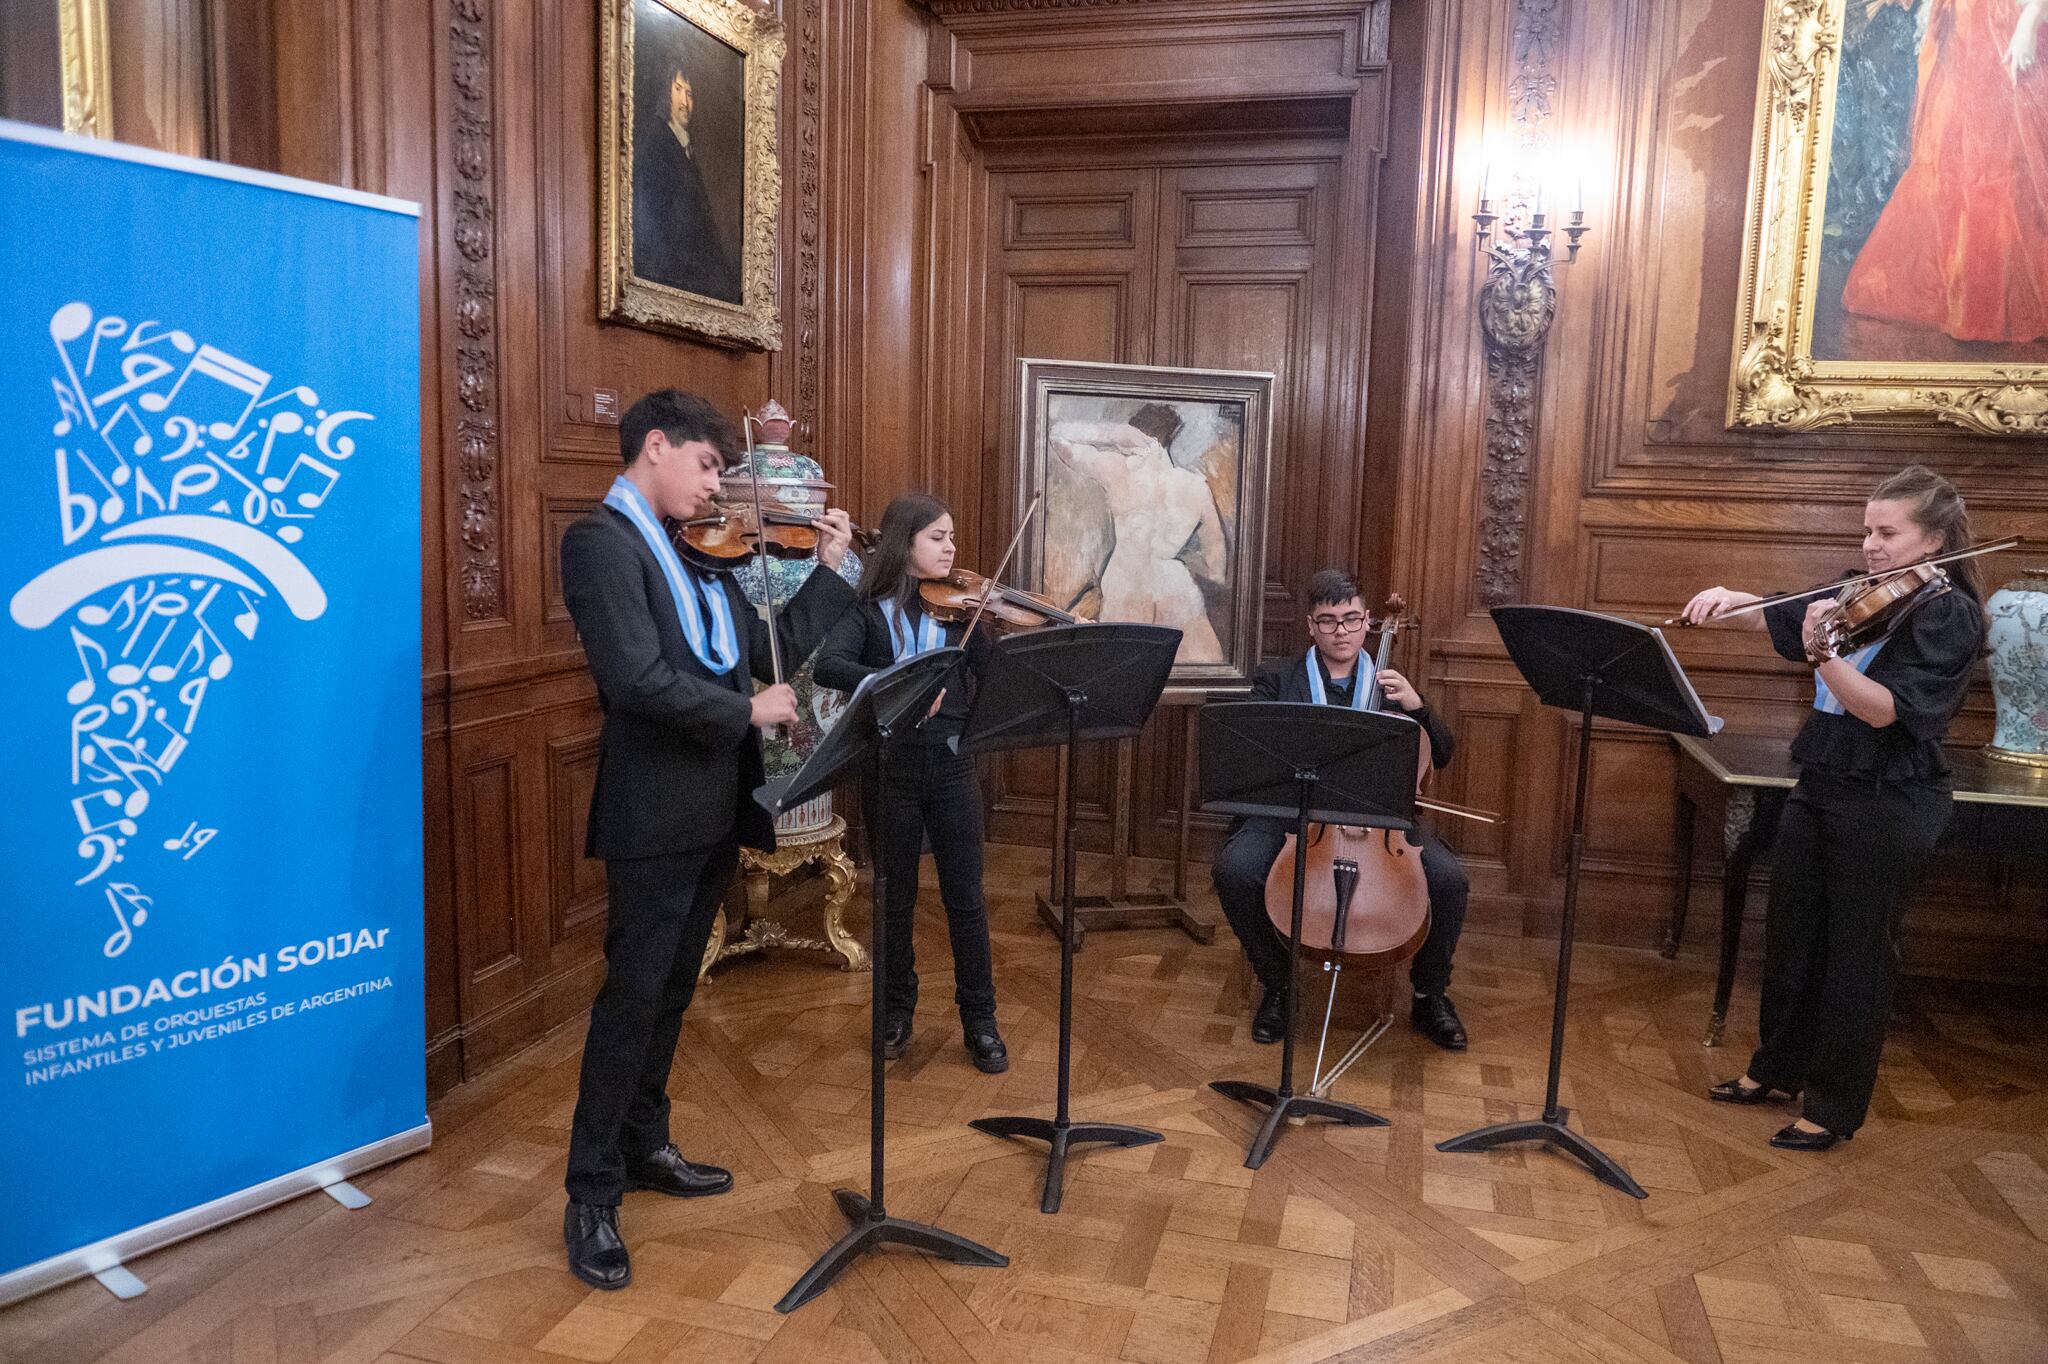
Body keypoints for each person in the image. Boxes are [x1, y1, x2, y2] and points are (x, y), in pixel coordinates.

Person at [557, 388, 857, 1289]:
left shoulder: (698, 555)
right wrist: (747, 710)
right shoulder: (600, 545)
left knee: (674, 990)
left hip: (715, 807)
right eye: (708, 466)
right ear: (657, 445)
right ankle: (590, 1190)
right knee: (631, 998)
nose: (718, 487)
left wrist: (832, 572)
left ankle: (646, 1144)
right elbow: (638, 681)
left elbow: (767, 656)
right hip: (653, 815)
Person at [1682, 466, 1984, 1151]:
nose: (1872, 544)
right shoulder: (1864, 590)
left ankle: (1835, 1106)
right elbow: (1791, 614)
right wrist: (1739, 599)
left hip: (1887, 793)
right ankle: (1776, 1069)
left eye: (1888, 531)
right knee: (1792, 935)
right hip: (1823, 777)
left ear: (1933, 540)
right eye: (1867, 529)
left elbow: (1885, 712)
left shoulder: (1948, 613)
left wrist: (1821, 653)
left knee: (1857, 955)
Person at [1210, 568, 1473, 1051]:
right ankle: (1279, 983)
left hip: (1380, 822)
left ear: (1369, 621)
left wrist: (1418, 708)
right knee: (1236, 869)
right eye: (1328, 621)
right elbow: (1254, 750)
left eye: (1352, 620)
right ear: (1310, 626)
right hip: (1292, 814)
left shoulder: (1394, 687)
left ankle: (1429, 993)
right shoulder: (1277, 680)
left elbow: (1443, 753)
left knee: (1449, 881)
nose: (1342, 632)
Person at [813, 493, 1008, 1073]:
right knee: (894, 900)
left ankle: (981, 1021)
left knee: (965, 900)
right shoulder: (866, 610)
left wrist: (998, 632)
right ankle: (896, 1011)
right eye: (938, 537)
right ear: (906, 544)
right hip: (889, 768)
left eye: (951, 537)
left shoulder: (963, 613)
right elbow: (829, 666)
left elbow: (995, 681)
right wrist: (897, 681)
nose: (951, 547)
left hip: (951, 768)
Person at [1841, 0, 2047, 343]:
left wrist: (2029, 21)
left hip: (2002, 31)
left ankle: (1989, 302)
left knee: (2000, 156)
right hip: (1957, 35)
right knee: (1947, 146)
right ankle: (1959, 289)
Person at [1051, 409, 1228, 664]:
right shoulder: (1195, 487)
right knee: (1189, 673)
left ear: (1135, 434)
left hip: (1127, 585)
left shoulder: (1116, 469)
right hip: (1175, 587)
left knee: (1123, 678)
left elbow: (1058, 435)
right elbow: (1216, 556)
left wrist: (1113, 433)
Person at [632, 68, 741, 303]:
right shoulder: (658, 148)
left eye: (690, 94)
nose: (685, 102)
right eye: (678, 90)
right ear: (665, 92)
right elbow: (661, 228)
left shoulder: (686, 151)